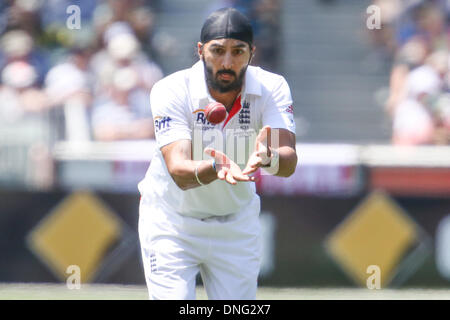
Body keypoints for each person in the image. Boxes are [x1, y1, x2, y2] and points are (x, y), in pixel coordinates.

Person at [138, 7, 297, 300]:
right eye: (217, 50)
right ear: (200, 51)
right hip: (173, 223)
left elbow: (288, 161)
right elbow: (179, 171)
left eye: (238, 52)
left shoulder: (272, 87)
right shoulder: (170, 89)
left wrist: (269, 157)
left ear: (252, 52)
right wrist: (215, 166)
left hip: (237, 223)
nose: (227, 62)